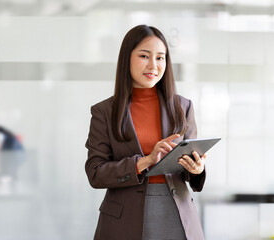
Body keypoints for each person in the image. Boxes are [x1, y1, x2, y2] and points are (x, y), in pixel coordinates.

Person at [84, 25, 206, 240]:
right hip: (125, 219)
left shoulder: (182, 107)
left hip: (177, 211)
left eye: (160, 58)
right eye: (144, 56)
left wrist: (196, 169)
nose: (153, 65)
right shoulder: (104, 112)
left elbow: (189, 164)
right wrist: (145, 161)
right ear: (126, 59)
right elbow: (95, 173)